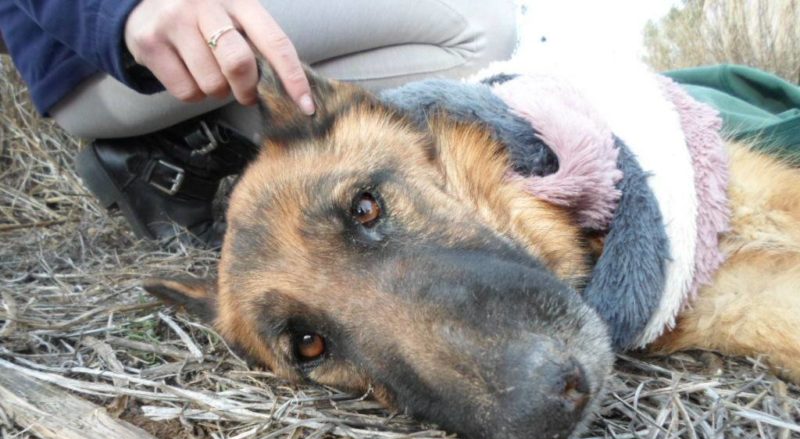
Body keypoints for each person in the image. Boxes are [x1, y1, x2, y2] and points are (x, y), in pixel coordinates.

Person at [0, 0, 518, 247]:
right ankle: (191, 141)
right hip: (109, 41)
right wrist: (120, 10)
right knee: (477, 30)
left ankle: (197, 136)